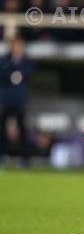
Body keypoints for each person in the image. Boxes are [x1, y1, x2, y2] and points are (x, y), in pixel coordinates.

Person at [0, 35, 34, 167]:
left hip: (20, 101)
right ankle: (2, 156)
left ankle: (25, 159)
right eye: (16, 45)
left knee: (23, 130)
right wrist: (12, 73)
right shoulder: (5, 59)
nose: (18, 48)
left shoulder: (26, 61)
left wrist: (19, 72)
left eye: (20, 45)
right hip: (7, 100)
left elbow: (30, 71)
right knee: (2, 130)